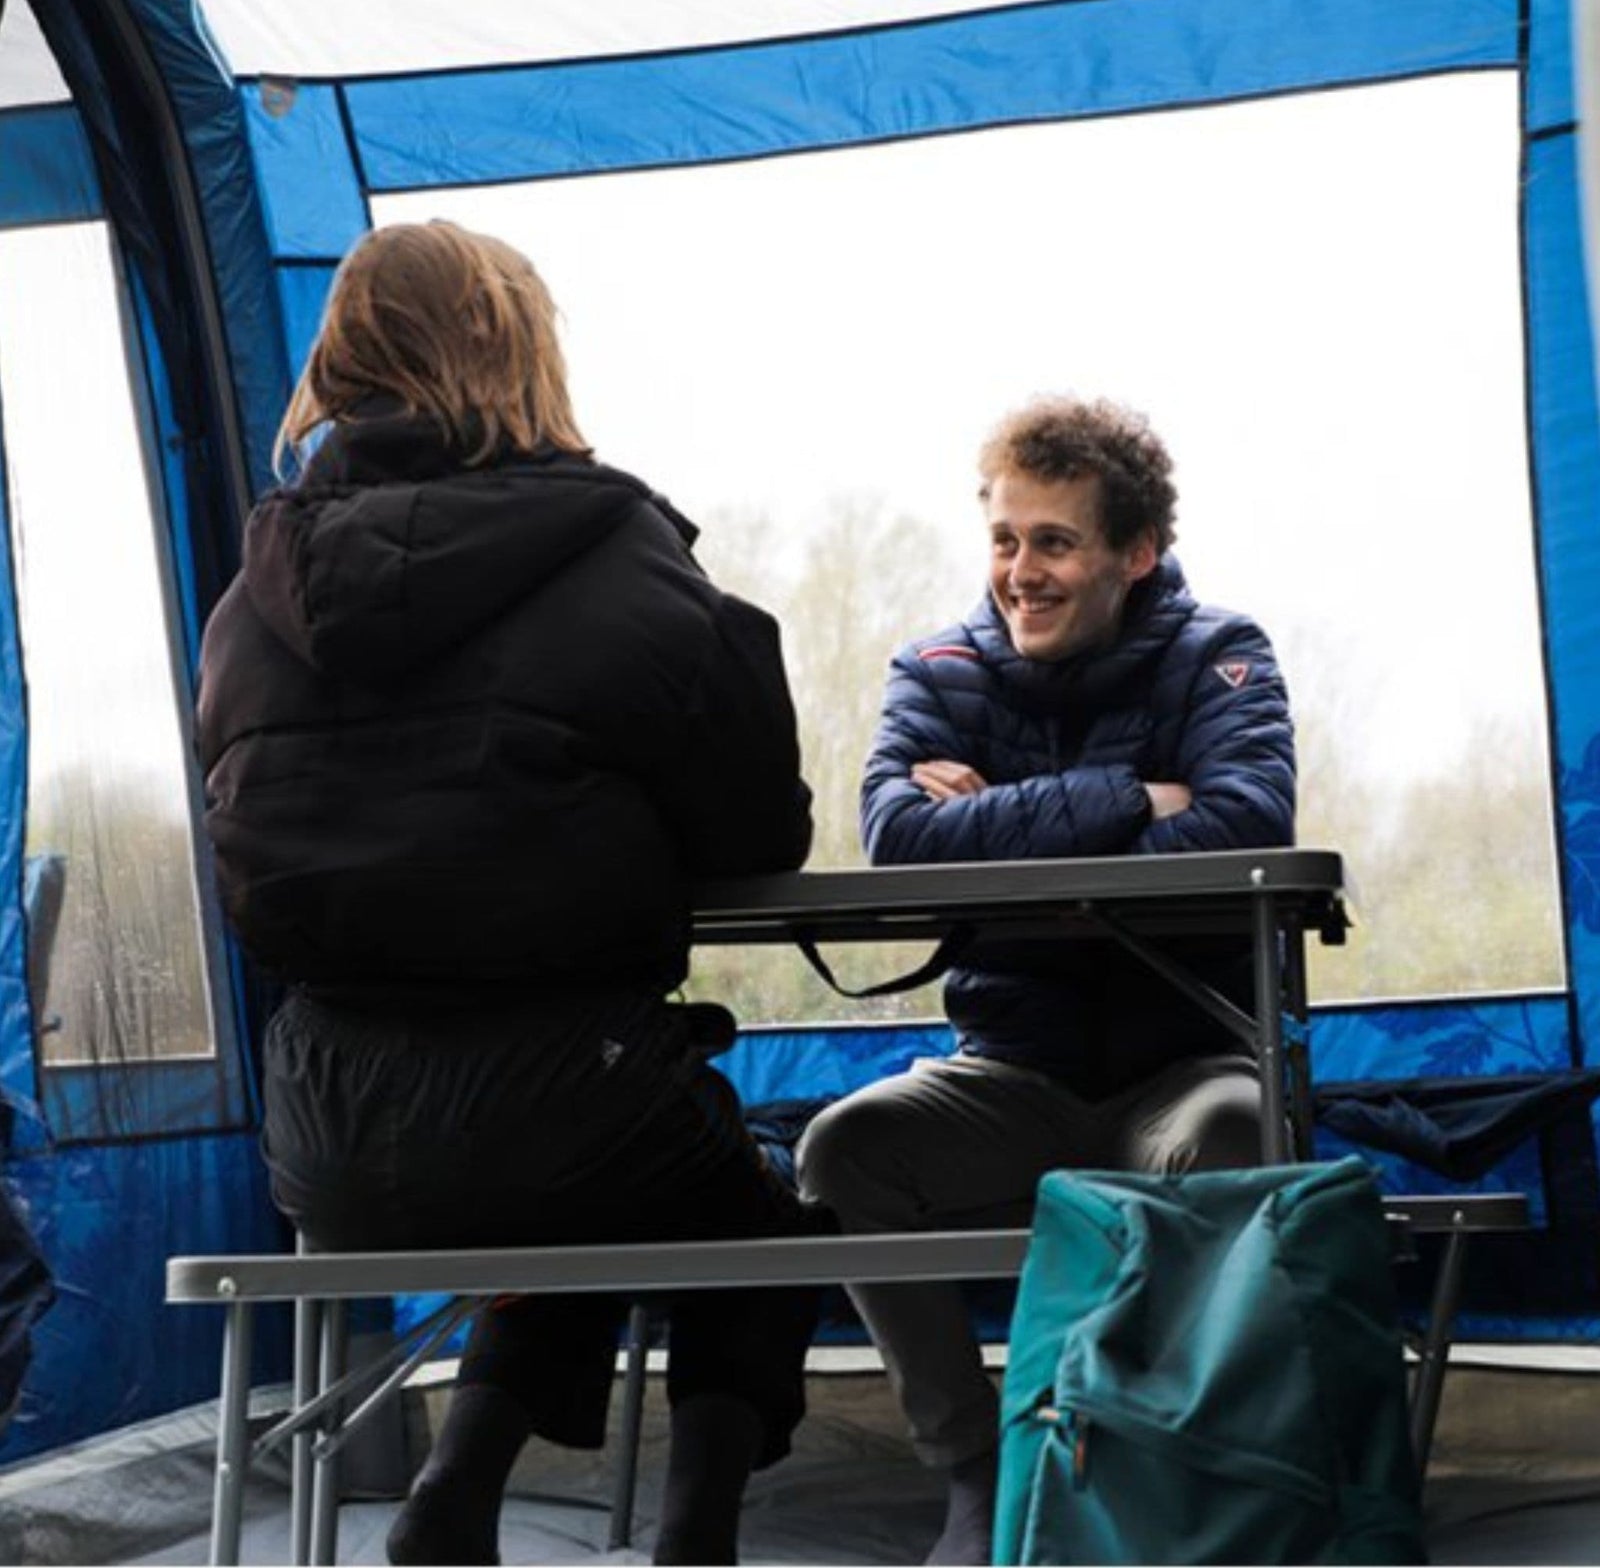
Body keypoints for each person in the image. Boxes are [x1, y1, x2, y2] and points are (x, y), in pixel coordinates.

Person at [194, 220, 823, 1567]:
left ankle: (453, 1498)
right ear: (523, 353)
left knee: (576, 1165)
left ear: (339, 362)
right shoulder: (625, 559)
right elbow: (760, 827)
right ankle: (697, 1534)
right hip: (566, 1106)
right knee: (736, 1193)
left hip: (322, 1136)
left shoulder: (251, 603)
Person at [796, 394, 1296, 1565]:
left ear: (1136, 552)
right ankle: (978, 1469)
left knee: (1235, 1132)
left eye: (1055, 542)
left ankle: (1155, 1476)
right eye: (1005, 540)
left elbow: (1243, 822)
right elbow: (901, 843)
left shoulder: (1222, 652)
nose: (1021, 571)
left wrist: (1000, 827)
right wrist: (1132, 796)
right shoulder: (933, 665)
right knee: (840, 1150)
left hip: (1187, 1063)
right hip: (1009, 1071)